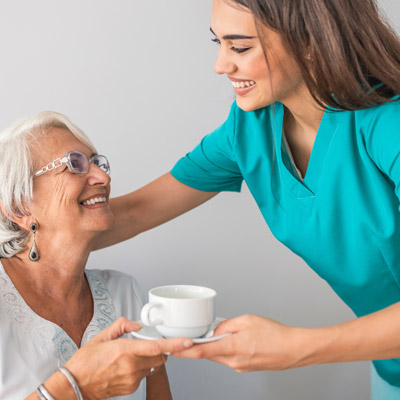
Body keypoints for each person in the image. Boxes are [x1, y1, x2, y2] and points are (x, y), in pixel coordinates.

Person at [93, 0, 400, 398]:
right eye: (218, 43)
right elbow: (137, 210)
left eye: (240, 48)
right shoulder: (251, 126)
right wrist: (30, 238)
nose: (221, 65)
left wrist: (296, 348)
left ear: (310, 41)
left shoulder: (387, 122)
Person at [0, 111, 193, 400]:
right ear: (20, 207)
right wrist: (74, 385)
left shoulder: (126, 294)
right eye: (74, 164)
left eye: (96, 162)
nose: (103, 176)